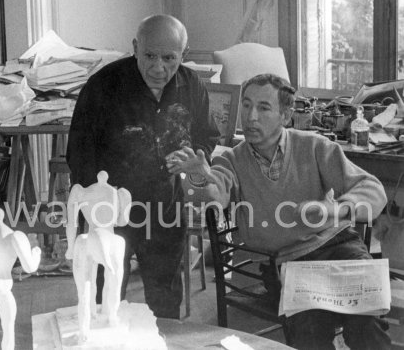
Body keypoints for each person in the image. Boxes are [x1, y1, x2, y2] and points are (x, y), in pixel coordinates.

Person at [167, 73, 391, 349]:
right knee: (309, 332)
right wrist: (203, 177)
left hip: (338, 246)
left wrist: (335, 210)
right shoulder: (231, 160)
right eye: (246, 105)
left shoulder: (314, 146)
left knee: (367, 322)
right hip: (285, 263)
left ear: (285, 116)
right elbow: (217, 195)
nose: (250, 117)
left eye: (263, 108)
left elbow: (373, 190)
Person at [66, 14, 220, 318]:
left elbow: (208, 135)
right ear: (135, 47)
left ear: (183, 56)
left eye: (169, 58)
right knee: (104, 295)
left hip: (165, 208)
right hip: (110, 213)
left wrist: (197, 156)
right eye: (149, 55)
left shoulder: (191, 86)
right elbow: (79, 151)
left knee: (165, 299)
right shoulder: (103, 86)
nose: (158, 67)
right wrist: (93, 206)